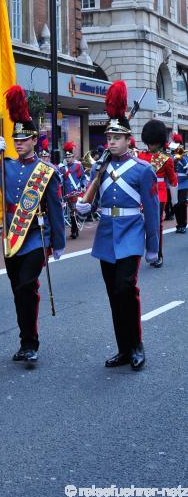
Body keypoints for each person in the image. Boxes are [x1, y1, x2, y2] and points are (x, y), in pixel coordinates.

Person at [0, 86, 65, 365]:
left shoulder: (46, 173)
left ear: (35, 140)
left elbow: (56, 211)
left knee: (27, 286)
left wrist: (57, 244)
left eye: (24, 139)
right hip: (11, 237)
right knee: (17, 290)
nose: (19, 143)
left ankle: (30, 342)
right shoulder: (6, 166)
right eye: (16, 139)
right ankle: (25, 338)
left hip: (36, 236)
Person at [76, 80, 159, 371]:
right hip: (106, 234)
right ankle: (123, 349)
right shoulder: (101, 166)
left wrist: (153, 248)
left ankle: (136, 345)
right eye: (108, 136)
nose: (110, 141)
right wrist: (84, 206)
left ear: (128, 139)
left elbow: (151, 211)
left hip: (131, 233)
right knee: (113, 293)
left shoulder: (142, 170)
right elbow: (90, 197)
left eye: (116, 137)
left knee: (126, 287)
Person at [137, 119, 177, 269]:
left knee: (156, 226)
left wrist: (174, 200)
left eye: (152, 142)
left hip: (158, 194)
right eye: (149, 142)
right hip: (141, 194)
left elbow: (172, 180)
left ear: (159, 142)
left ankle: (157, 254)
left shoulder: (166, 160)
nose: (150, 145)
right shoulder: (140, 157)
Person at [59, 142, 88, 239]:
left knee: (75, 211)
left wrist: (83, 185)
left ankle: (74, 230)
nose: (68, 159)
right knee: (72, 212)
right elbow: (61, 181)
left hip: (77, 192)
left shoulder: (78, 166)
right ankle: (74, 229)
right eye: (66, 157)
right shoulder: (62, 168)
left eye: (69, 157)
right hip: (67, 193)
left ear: (73, 157)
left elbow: (83, 178)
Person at [169, 133, 188, 233]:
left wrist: (182, 160)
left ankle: (183, 224)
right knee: (175, 204)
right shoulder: (171, 156)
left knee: (182, 203)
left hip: (184, 183)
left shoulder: (184, 155)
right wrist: (173, 160)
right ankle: (178, 224)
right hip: (173, 184)